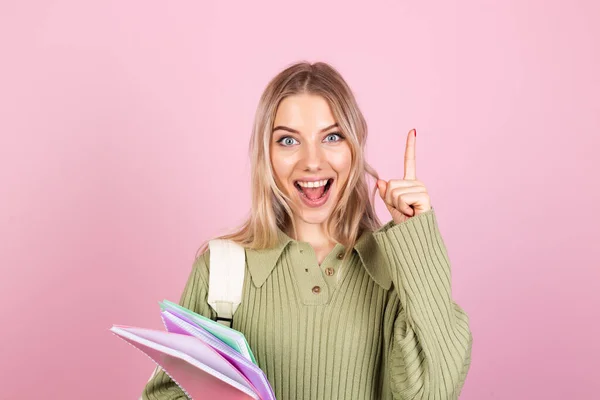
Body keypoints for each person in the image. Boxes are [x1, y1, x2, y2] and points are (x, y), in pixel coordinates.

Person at [141, 61, 473, 400]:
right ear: (266, 154)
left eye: (332, 136)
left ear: (355, 146)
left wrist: (416, 239)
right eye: (288, 140)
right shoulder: (221, 269)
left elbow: (435, 391)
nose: (312, 161)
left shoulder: (395, 271)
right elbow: (165, 394)